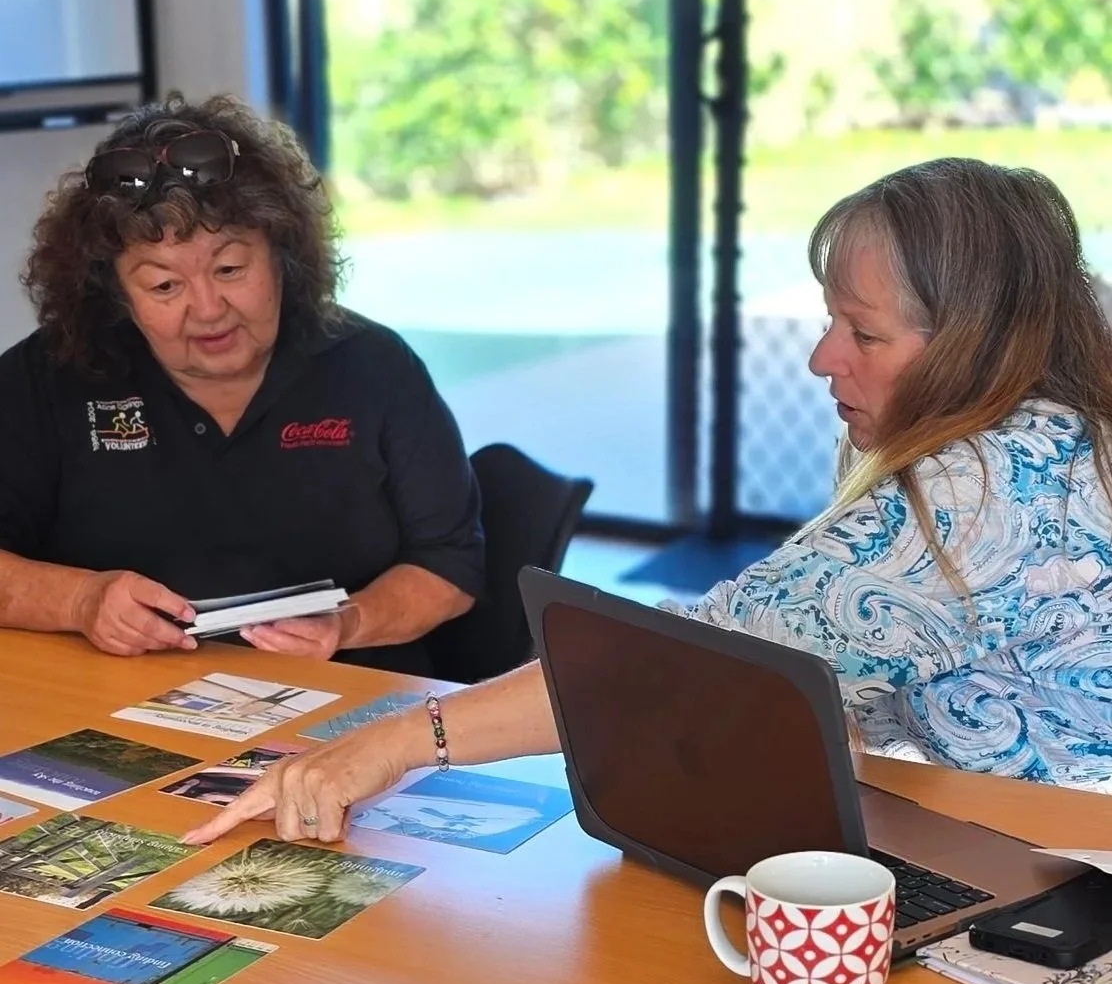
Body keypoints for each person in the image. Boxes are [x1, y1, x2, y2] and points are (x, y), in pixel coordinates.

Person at [184, 155, 1112, 847]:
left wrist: (389, 744)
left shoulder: (974, 495)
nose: (822, 358)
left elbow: (678, 665)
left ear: (970, 343)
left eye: (860, 332)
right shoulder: (1065, 432)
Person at [0, 94, 483, 676]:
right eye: (163, 287)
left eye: (230, 270)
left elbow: (451, 565)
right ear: (117, 295)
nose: (207, 310)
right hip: (110, 700)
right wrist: (80, 601)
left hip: (348, 696)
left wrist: (348, 623)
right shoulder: (50, 377)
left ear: (283, 255)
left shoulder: (373, 366)